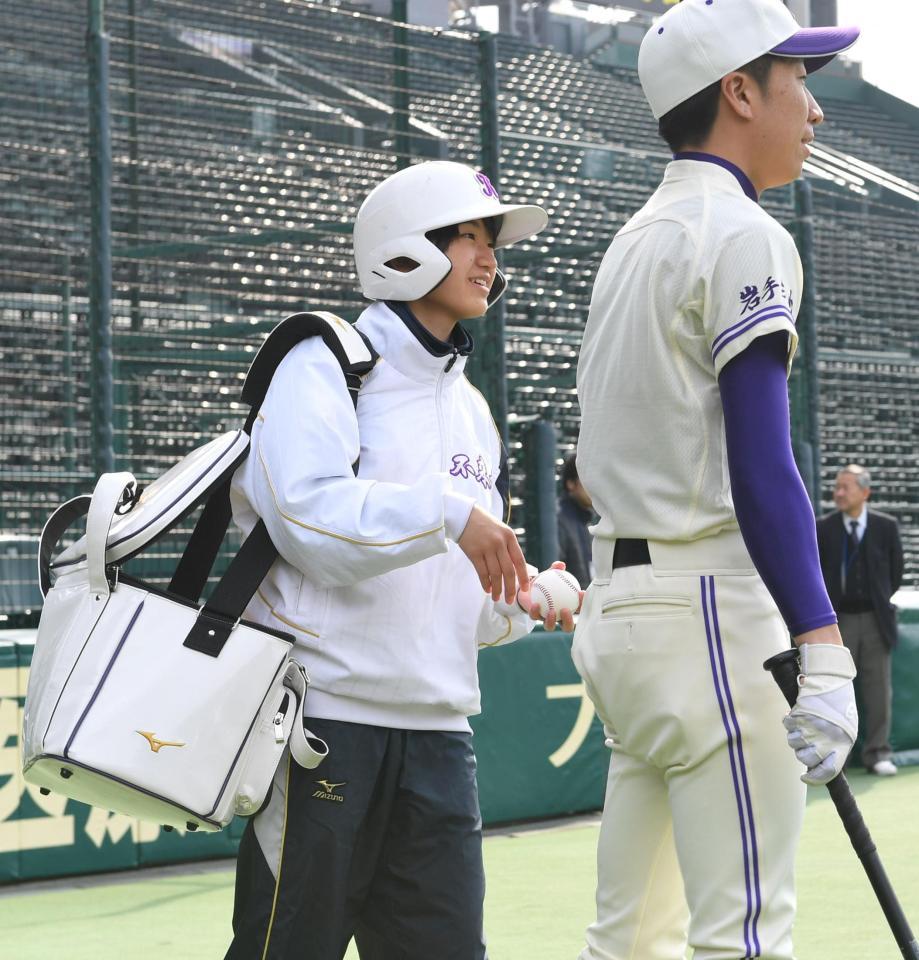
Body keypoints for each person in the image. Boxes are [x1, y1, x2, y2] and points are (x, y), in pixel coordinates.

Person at [223, 160, 570, 960]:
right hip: (324, 727)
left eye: (493, 242)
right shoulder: (326, 362)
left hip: (442, 737)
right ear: (405, 247)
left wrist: (528, 597)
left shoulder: (475, 411)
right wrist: (450, 517)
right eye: (470, 237)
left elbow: (470, 614)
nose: (490, 259)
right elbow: (308, 521)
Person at [572, 2, 860, 957]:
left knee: (628, 940)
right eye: (798, 81)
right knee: (741, 936)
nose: (813, 110)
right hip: (705, 610)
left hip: (618, 612)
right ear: (739, 91)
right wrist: (821, 644)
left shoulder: (630, 240)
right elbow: (762, 464)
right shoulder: (739, 232)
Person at [816, 464, 904, 776]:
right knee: (834, 689)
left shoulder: (886, 526)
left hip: (875, 619)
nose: (838, 493)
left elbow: (895, 574)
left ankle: (878, 753)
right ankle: (832, 757)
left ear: (865, 492)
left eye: (845, 488)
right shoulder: (823, 528)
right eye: (836, 487)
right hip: (836, 622)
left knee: (878, 690)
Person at [557, 453, 594, 589]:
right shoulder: (559, 519)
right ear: (571, 483)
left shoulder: (585, 519)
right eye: (587, 480)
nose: (594, 487)